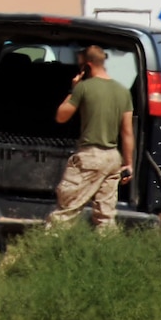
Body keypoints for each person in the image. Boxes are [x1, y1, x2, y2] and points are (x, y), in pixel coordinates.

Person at [50, 45, 135, 229]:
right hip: (113, 159)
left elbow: (61, 116)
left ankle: (48, 252)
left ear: (87, 65)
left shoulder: (84, 88)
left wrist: (73, 89)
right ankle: (105, 254)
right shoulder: (123, 91)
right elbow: (127, 132)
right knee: (105, 217)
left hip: (90, 158)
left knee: (65, 214)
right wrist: (128, 164)